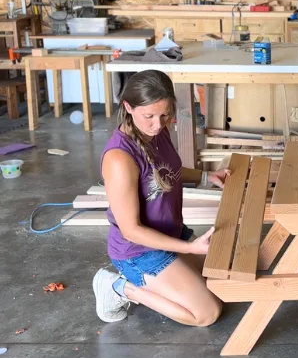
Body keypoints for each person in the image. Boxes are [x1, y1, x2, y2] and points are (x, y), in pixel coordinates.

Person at [92, 70, 229, 326]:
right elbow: (131, 231)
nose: (158, 123)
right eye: (149, 116)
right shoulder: (119, 159)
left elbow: (166, 171)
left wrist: (206, 176)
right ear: (128, 107)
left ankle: (168, 274)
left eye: (165, 114)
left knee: (225, 280)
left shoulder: (157, 131)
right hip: (139, 252)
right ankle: (119, 287)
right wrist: (190, 248)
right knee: (207, 312)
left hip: (171, 235)